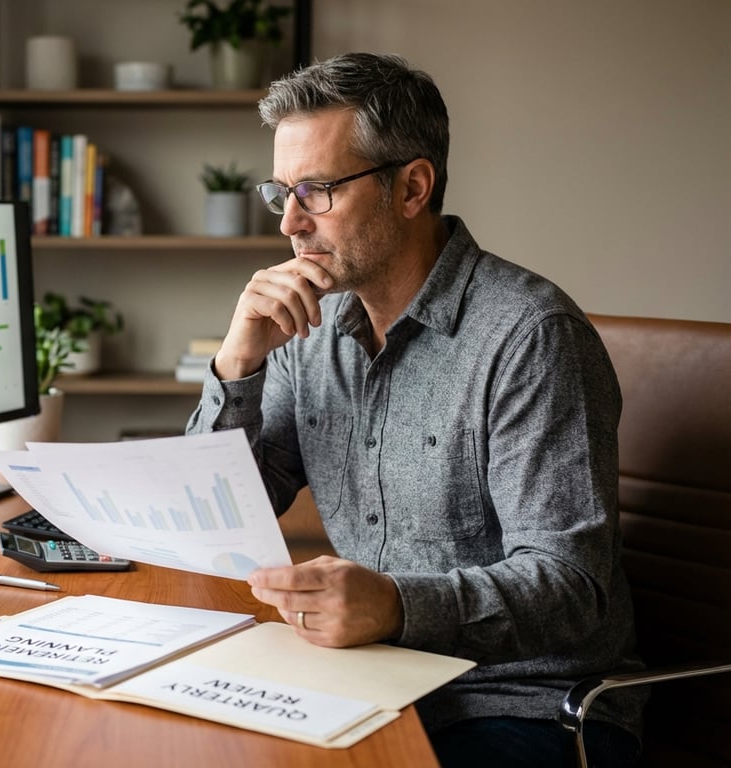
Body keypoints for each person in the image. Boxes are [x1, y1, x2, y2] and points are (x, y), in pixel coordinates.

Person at [186, 52, 644, 767]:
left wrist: (397, 605)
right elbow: (216, 513)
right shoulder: (307, 336)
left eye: (317, 191)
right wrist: (237, 362)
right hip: (373, 684)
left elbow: (571, 585)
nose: (291, 224)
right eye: (282, 193)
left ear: (412, 188)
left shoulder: (529, 337)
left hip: (532, 708)